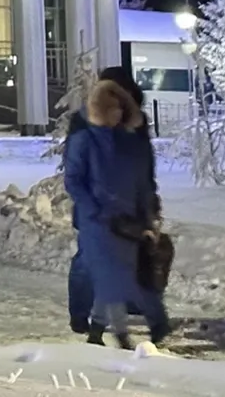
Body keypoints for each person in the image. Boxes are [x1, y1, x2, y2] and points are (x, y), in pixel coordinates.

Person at [64, 76, 170, 349]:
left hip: (127, 218)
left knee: (122, 274)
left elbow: (142, 175)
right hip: (98, 220)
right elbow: (75, 178)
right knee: (105, 272)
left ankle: (100, 329)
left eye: (122, 108)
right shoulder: (85, 135)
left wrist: (148, 211)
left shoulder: (130, 137)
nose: (119, 113)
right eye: (113, 107)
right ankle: (116, 328)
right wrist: (93, 209)